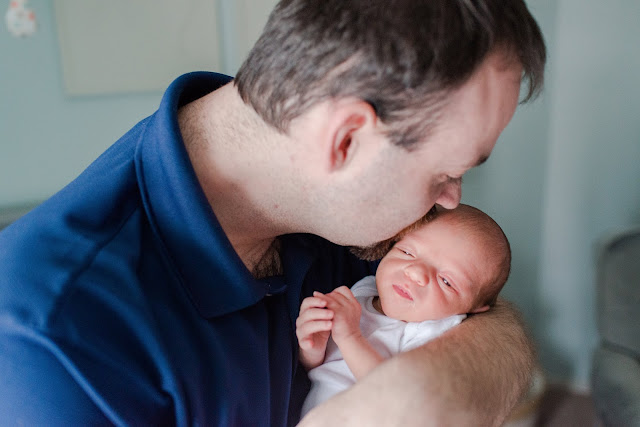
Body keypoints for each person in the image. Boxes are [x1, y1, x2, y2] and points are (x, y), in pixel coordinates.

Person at [0, 1, 546, 425]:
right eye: (445, 172)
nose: (451, 199)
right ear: (346, 140)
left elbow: (488, 316)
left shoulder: (335, 212)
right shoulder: (51, 339)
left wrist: (412, 396)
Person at [297, 204, 511, 417]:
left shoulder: (434, 332)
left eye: (446, 281)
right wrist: (314, 349)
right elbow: (328, 371)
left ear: (474, 308)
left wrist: (350, 337)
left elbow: (395, 393)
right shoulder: (365, 289)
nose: (416, 273)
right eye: (407, 252)